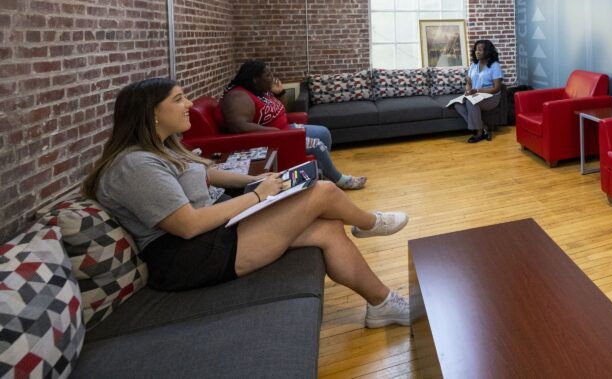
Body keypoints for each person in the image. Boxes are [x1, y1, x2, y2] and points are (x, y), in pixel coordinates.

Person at [83, 78, 410, 327]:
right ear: (151, 114)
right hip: (188, 256)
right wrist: (257, 196)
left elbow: (209, 176)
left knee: (326, 230)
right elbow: (187, 225)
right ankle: (369, 224)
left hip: (211, 235)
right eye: (179, 99)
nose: (188, 104)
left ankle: (382, 306)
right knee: (322, 192)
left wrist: (263, 181)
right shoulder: (135, 165)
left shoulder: (164, 150)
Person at [220, 61, 366, 190]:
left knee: (323, 132)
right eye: (268, 75)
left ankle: (321, 172)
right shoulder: (238, 97)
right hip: (276, 138)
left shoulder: (260, 91)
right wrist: (276, 132)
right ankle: (340, 180)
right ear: (255, 79)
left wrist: (279, 93)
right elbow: (239, 126)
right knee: (317, 144)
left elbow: (278, 111)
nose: (272, 78)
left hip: (286, 130)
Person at [454, 39, 503, 143]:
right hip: (475, 95)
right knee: (458, 104)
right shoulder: (473, 66)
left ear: (487, 51)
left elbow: (497, 88)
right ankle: (484, 127)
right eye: (476, 50)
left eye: (480, 50)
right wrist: (468, 90)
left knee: (471, 102)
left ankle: (479, 132)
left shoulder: (495, 66)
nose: (477, 52)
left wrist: (478, 90)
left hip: (491, 97)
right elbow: (469, 84)